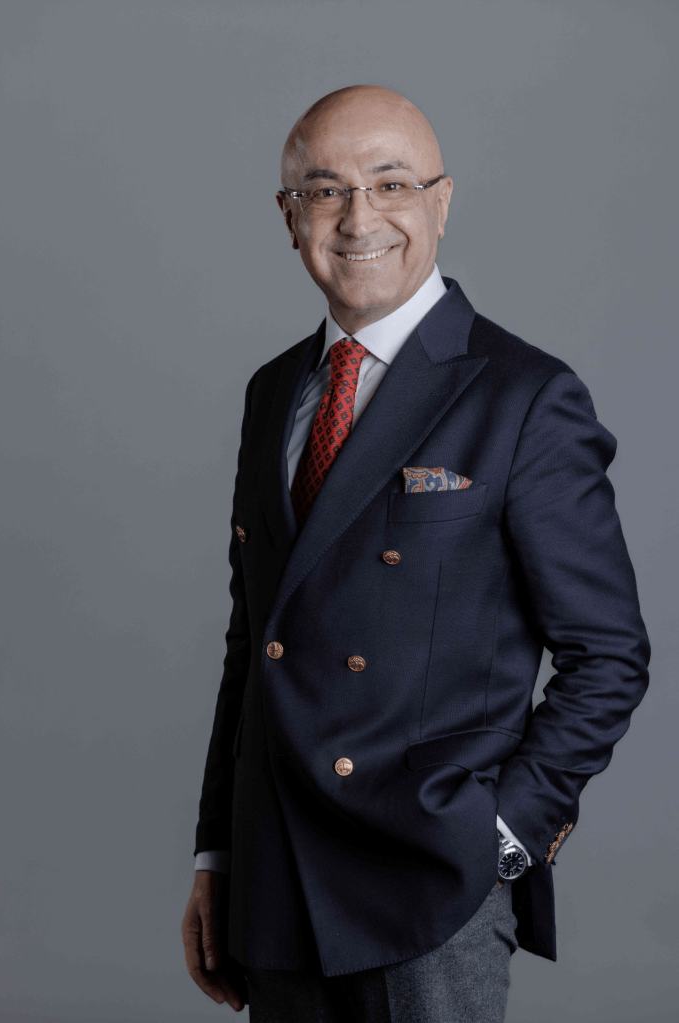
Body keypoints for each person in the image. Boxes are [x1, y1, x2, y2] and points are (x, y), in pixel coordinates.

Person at [181, 85, 650, 1022]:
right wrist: (217, 852)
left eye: (391, 184)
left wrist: (503, 836)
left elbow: (607, 655)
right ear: (288, 216)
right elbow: (252, 648)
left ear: (440, 202)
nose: (359, 219)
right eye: (325, 191)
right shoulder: (272, 392)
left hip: (428, 889)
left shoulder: (522, 395)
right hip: (276, 880)